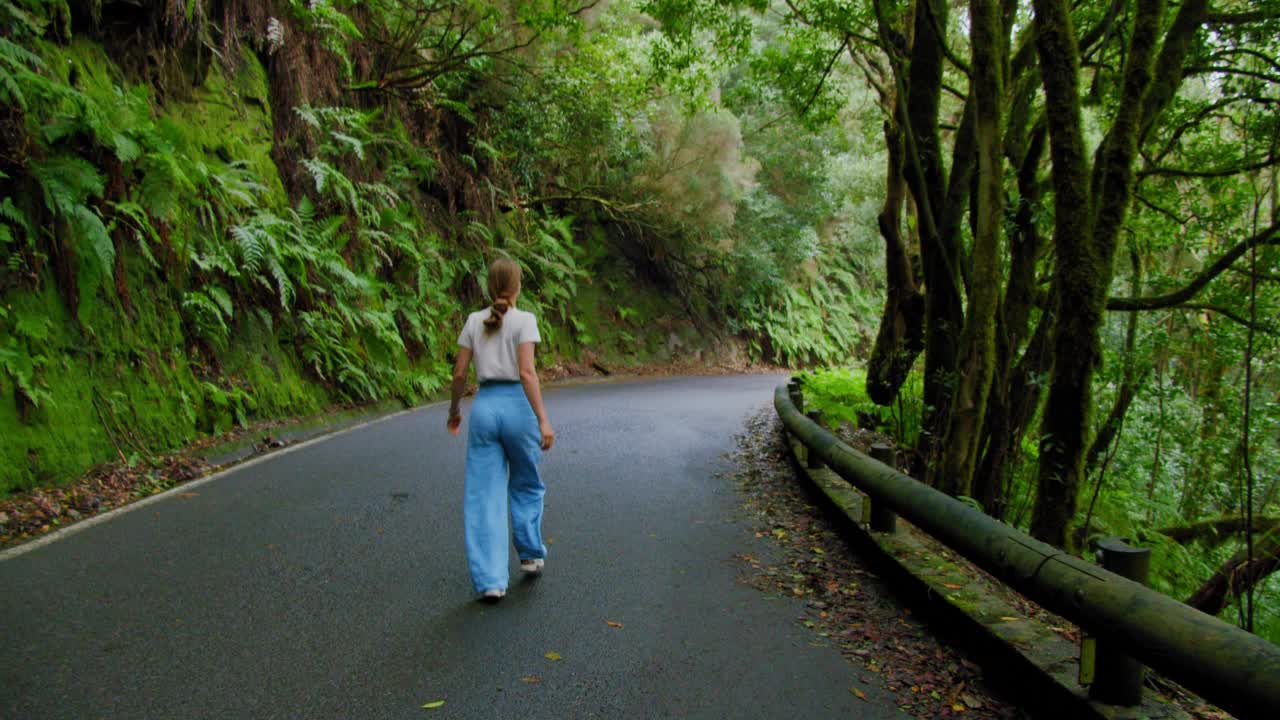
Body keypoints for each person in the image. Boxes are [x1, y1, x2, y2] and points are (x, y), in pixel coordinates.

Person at [448, 257, 556, 602]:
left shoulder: (472, 321)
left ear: (489, 286)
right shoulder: (525, 320)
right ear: (518, 286)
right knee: (526, 480)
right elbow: (527, 372)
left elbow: (459, 375)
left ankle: (491, 580)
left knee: (483, 494)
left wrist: (454, 410)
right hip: (517, 408)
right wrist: (542, 418)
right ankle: (529, 554)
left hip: (484, 408)